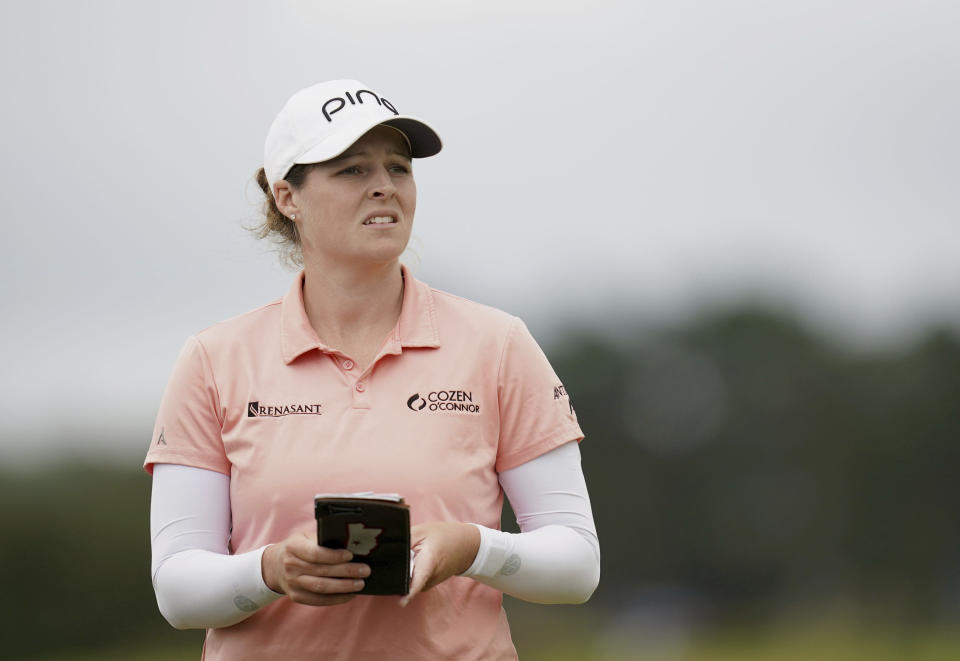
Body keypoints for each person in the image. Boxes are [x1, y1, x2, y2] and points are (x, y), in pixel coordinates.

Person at [145, 79, 600, 660]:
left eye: (399, 168)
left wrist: (472, 549)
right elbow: (179, 592)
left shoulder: (499, 344)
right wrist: (271, 570)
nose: (385, 187)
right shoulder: (213, 359)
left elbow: (576, 566)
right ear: (289, 198)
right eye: (353, 171)